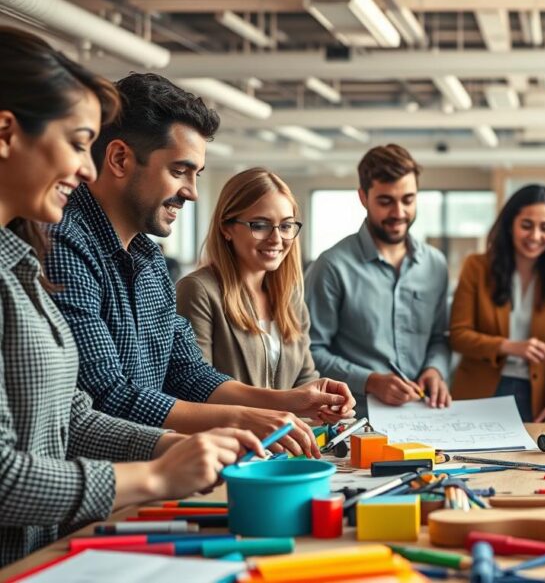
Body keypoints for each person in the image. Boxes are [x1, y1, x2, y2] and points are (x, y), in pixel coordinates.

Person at [0, 26, 266, 567]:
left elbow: (69, 415)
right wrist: (158, 472)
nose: (87, 167)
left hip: (43, 549)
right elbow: (9, 473)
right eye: (77, 144)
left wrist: (168, 446)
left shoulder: (23, 261)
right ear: (6, 133)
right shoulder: (56, 249)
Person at [46, 73, 354, 457]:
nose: (191, 192)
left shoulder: (150, 258)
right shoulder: (64, 243)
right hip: (102, 483)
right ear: (120, 158)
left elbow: (186, 370)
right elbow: (106, 395)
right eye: (179, 171)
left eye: (196, 175)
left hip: (151, 476)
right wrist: (245, 419)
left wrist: (289, 400)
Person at [305, 144, 451, 417]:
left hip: (424, 416)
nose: (398, 212)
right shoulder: (332, 266)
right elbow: (309, 351)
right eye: (386, 201)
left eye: (408, 199)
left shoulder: (435, 265)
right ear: (363, 197)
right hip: (356, 421)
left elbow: (439, 338)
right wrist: (370, 381)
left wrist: (435, 369)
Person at [177, 167, 322, 390]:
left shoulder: (290, 296)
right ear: (226, 228)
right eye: (260, 225)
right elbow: (197, 387)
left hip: (289, 425)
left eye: (285, 226)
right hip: (229, 426)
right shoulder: (198, 291)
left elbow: (304, 379)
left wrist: (325, 399)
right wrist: (285, 404)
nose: (276, 239)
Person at [450, 184, 545, 422]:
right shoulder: (477, 267)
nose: (535, 236)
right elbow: (458, 335)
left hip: (534, 395)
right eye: (526, 225)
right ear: (510, 225)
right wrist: (509, 346)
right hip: (479, 390)